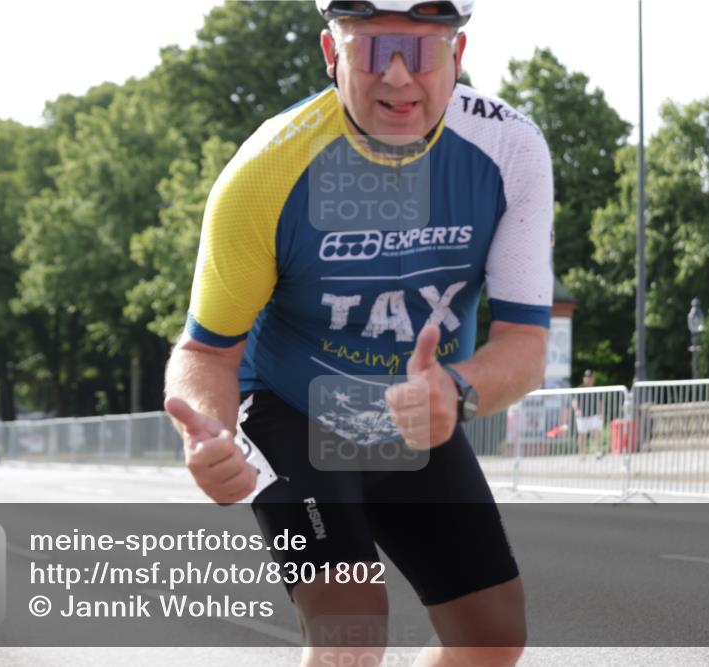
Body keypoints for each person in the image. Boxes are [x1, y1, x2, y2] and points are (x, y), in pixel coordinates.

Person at [164, 1, 554, 664]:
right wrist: (209, 432)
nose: (399, 78)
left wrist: (456, 392)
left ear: (457, 59)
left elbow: (524, 344)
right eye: (372, 50)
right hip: (293, 409)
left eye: (423, 52)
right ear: (330, 54)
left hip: (414, 415)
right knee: (351, 627)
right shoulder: (265, 171)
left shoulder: (510, 150)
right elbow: (206, 349)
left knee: (492, 636)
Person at [573, 369, 604, 460]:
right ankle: (582, 454)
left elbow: (601, 402)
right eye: (587, 377)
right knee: (582, 435)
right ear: (584, 378)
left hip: (594, 414)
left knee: (596, 432)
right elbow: (574, 401)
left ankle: (597, 451)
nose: (588, 379)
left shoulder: (596, 388)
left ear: (593, 378)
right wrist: (577, 410)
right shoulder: (580, 388)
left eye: (590, 377)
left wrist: (602, 413)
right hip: (582, 416)